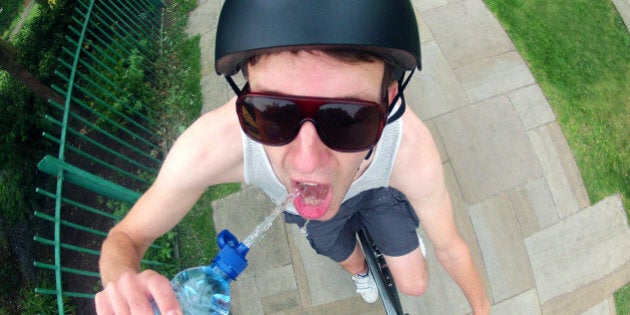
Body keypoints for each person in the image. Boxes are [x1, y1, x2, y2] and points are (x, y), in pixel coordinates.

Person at [95, 0, 491, 314]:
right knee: (348, 257)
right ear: (246, 94)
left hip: (378, 188)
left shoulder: (407, 149)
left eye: (348, 118)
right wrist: (123, 282)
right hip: (305, 209)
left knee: (414, 283)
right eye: (273, 112)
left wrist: (482, 309)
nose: (305, 163)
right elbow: (127, 237)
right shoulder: (217, 144)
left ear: (388, 105)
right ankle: (361, 271)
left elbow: (451, 247)